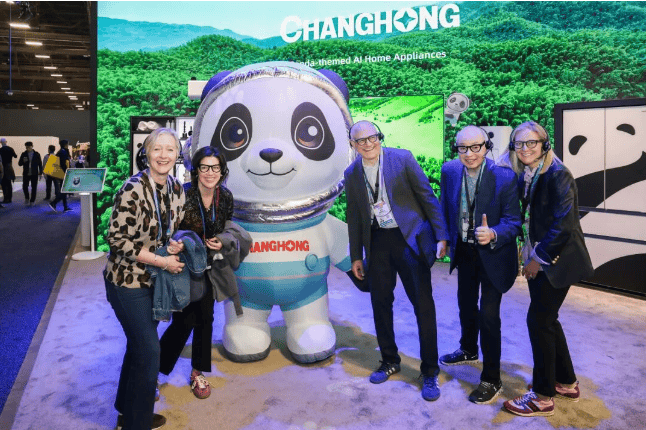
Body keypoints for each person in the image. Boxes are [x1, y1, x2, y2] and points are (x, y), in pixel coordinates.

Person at [344, 120, 449, 401]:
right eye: (361, 140)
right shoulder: (351, 173)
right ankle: (389, 360)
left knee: (423, 305)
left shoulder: (402, 159)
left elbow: (427, 197)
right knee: (380, 304)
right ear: (353, 145)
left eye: (373, 137)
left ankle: (430, 371)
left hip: (409, 239)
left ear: (380, 137)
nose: (368, 144)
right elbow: (354, 216)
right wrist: (356, 256)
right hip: (377, 242)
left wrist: (441, 235)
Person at [502, 121, 594, 417]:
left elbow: (564, 225)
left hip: (556, 261)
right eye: (518, 143)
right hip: (541, 257)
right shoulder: (529, 172)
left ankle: (542, 397)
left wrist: (536, 259)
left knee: (539, 322)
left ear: (545, 144)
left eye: (531, 142)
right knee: (548, 320)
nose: (525, 148)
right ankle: (566, 382)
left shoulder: (558, 174)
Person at [104, 128, 186, 430]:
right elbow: (117, 240)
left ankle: (126, 409)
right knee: (150, 351)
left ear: (177, 155)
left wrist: (175, 245)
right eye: (157, 149)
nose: (164, 155)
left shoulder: (176, 188)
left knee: (139, 346)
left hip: (155, 282)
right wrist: (161, 260)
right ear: (147, 153)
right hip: (126, 282)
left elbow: (170, 231)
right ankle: (136, 423)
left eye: (170, 149)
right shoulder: (133, 188)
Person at [439, 126, 522, 404]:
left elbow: (514, 222)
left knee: (488, 315)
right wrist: (443, 238)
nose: (469, 154)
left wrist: (494, 233)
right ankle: (468, 349)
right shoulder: (450, 171)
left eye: (476, 147)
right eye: (463, 148)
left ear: (486, 147)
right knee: (465, 304)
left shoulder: (504, 177)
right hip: (465, 251)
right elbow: (444, 207)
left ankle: (491, 378)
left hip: (494, 254)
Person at [159, 146, 234, 399]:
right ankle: (153, 371)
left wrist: (222, 240)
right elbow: (167, 229)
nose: (210, 172)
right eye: (204, 167)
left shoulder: (226, 197)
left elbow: (228, 228)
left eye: (215, 167)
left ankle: (197, 371)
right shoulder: (182, 194)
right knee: (184, 321)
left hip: (210, 266)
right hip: (184, 265)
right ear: (196, 170)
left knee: (206, 318)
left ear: (222, 171)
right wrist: (176, 244)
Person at [48, 139, 71, 212]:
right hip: (63, 174)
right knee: (64, 191)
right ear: (65, 145)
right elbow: (63, 164)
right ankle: (54, 202)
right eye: (67, 144)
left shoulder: (61, 151)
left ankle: (65, 207)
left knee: (64, 190)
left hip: (62, 174)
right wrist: (66, 172)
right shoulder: (63, 152)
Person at [18, 141, 43, 206]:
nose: (27, 149)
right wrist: (23, 161)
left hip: (34, 173)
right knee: (24, 186)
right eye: (26, 147)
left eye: (29, 147)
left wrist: (41, 172)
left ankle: (32, 200)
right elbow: (19, 163)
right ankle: (27, 198)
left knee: (34, 187)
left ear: (32, 146)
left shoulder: (37, 154)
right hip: (26, 173)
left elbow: (40, 164)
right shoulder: (24, 154)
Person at [1, 138, 17, 204]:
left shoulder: (0, 150)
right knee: (9, 184)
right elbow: (15, 156)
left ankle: (5, 199)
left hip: (3, 168)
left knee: (4, 185)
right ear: (6, 142)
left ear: (1, 143)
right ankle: (10, 199)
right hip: (9, 168)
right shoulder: (10, 149)